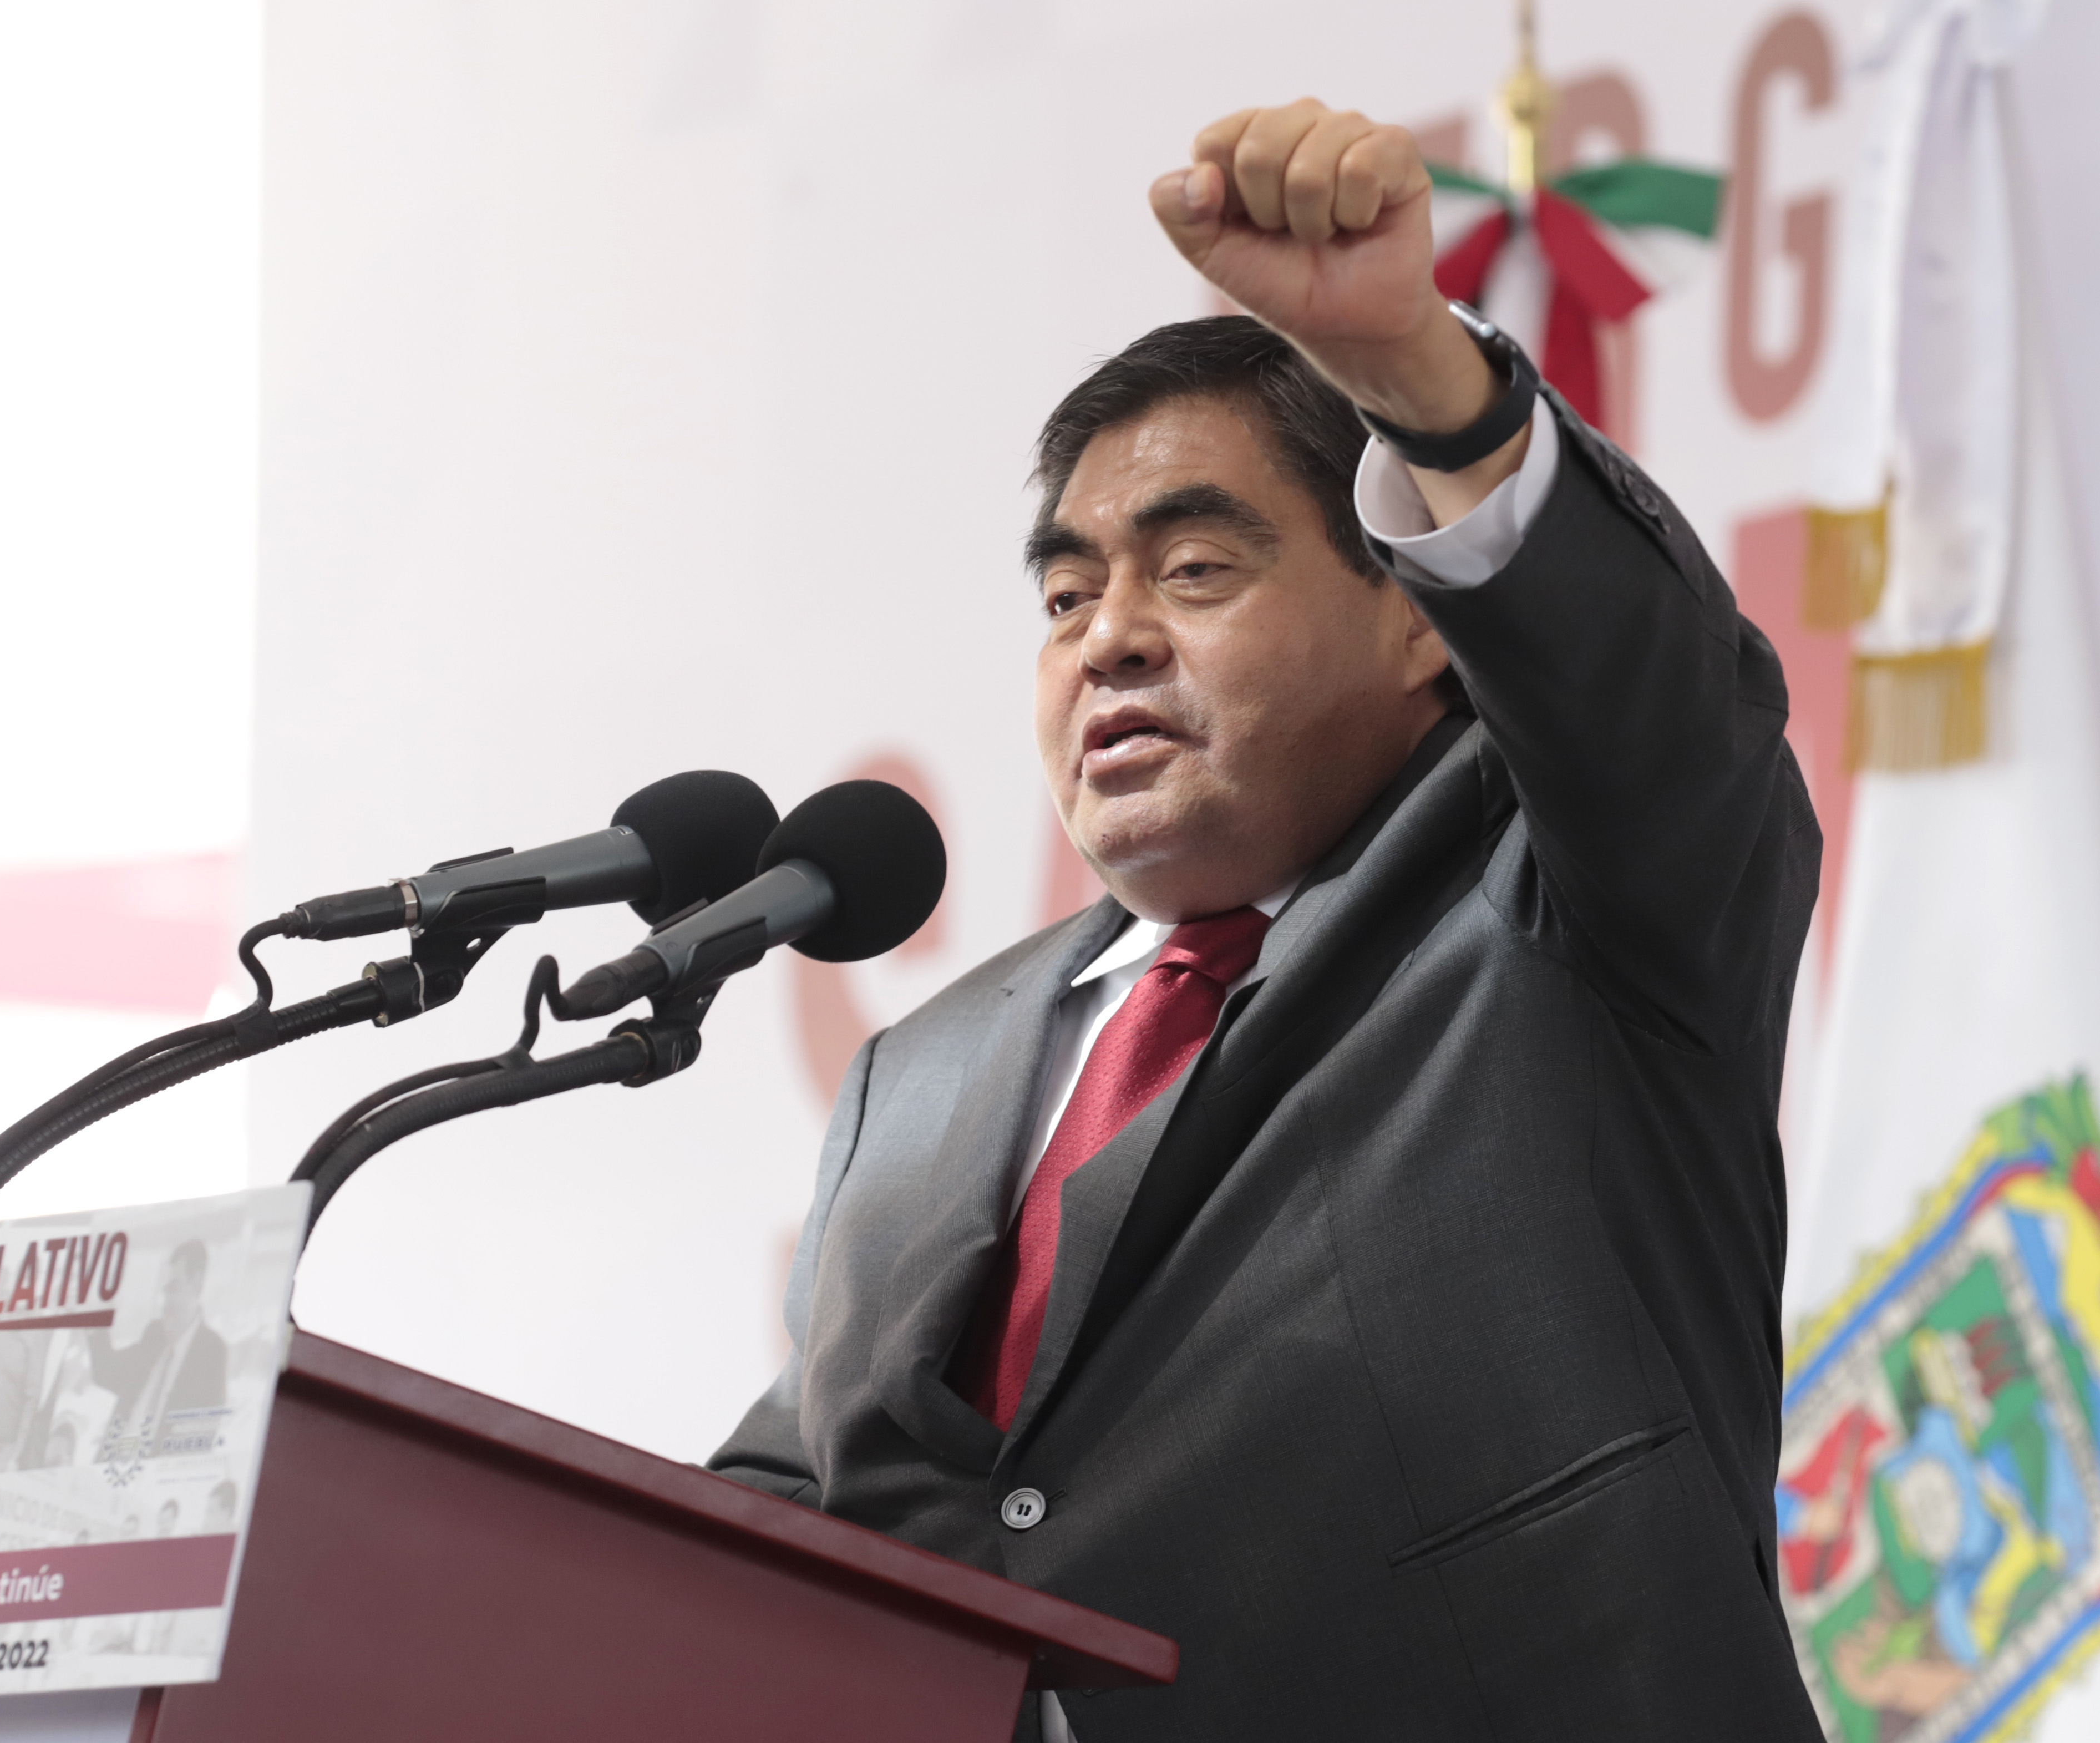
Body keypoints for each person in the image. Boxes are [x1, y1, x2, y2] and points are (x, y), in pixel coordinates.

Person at [710, 99, 1822, 1739]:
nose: (1107, 638)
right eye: (1067, 595)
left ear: (1417, 620)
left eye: (1193, 570)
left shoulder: (1569, 907)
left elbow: (1649, 700)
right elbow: (781, 1514)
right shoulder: (918, 1077)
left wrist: (1418, 377)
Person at [87, 1240, 227, 1453]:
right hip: (115, 1464)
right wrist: (94, 1318)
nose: (165, 1302)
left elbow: (203, 1434)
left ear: (197, 1284)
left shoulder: (212, 1352)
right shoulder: (154, 1334)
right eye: (164, 1291)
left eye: (173, 1288)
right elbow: (107, 1373)